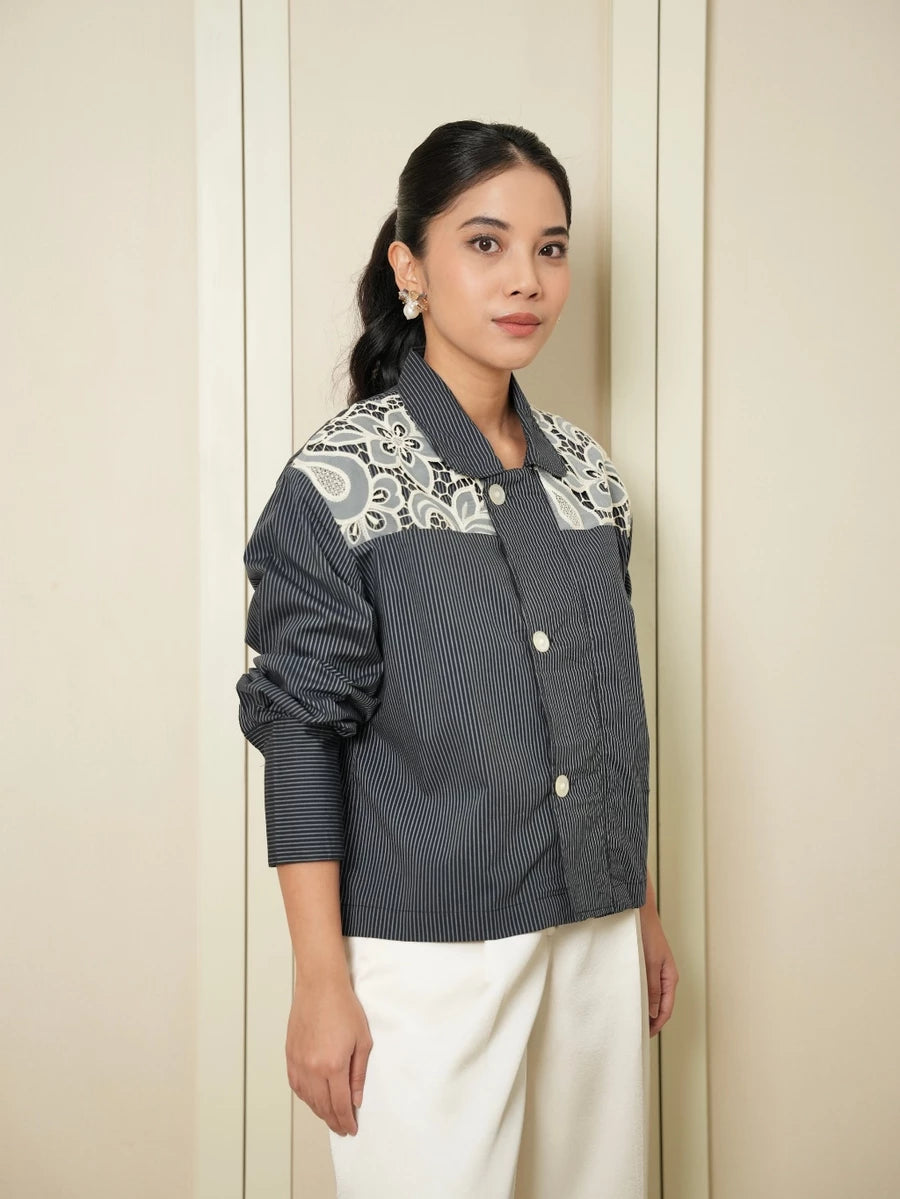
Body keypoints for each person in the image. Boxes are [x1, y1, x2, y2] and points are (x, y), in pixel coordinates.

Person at [236, 118, 679, 1199]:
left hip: (595, 935)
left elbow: (601, 711)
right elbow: (301, 735)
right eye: (486, 243)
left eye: (550, 247)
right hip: (429, 958)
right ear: (410, 267)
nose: (526, 278)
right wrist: (320, 982)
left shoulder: (590, 479)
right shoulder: (338, 481)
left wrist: (640, 905)